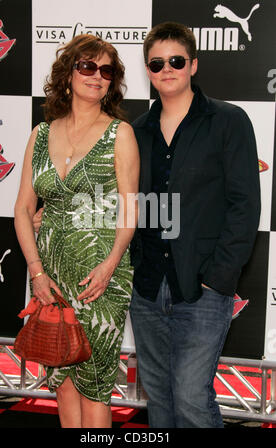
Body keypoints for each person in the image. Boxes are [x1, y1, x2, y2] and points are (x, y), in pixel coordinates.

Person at [128, 22, 261, 428]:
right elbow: (124, 203)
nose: (166, 68)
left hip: (202, 286)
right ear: (147, 70)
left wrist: (219, 277)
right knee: (159, 399)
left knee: (190, 398)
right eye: (156, 62)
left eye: (176, 60)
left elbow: (245, 205)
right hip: (147, 286)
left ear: (193, 65)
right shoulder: (134, 132)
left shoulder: (229, 120)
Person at [14, 34, 139, 428]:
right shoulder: (41, 134)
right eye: (87, 67)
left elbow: (130, 210)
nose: (97, 76)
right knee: (62, 379)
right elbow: (22, 209)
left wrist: (109, 266)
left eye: (106, 71)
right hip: (50, 276)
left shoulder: (120, 134)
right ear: (68, 76)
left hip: (101, 277)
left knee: (96, 385)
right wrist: (36, 272)